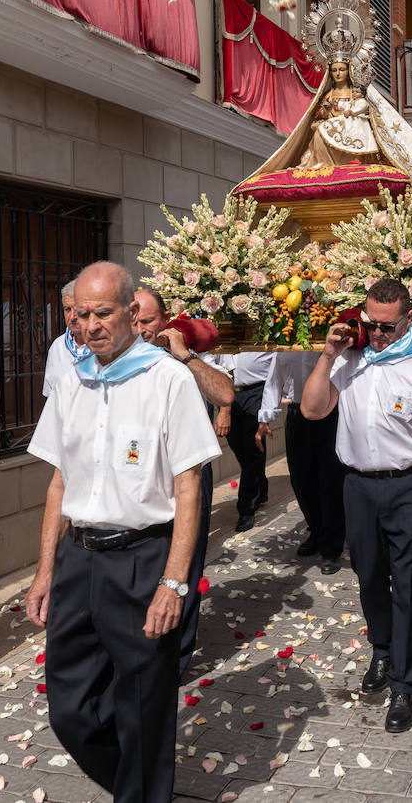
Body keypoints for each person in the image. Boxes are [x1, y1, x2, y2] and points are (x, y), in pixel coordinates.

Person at [24, 262, 220, 803]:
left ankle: (141, 794)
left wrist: (174, 583)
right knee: (70, 710)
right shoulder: (71, 380)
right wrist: (45, 571)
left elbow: (189, 488)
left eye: (103, 313)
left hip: (142, 561)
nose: (89, 326)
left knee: (142, 707)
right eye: (80, 315)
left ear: (132, 311)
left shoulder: (168, 380)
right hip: (79, 560)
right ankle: (138, 788)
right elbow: (59, 484)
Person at [301, 279, 412, 733]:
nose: (376, 335)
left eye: (386, 327)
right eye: (370, 324)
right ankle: (382, 648)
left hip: (411, 483)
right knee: (368, 573)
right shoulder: (351, 356)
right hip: (358, 485)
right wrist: (327, 356)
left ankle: (404, 681)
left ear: (408, 319)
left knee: (411, 580)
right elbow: (313, 411)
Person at [131, 287, 234, 680]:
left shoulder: (186, 355)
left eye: (149, 322)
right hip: (141, 472)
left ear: (166, 320)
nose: (141, 330)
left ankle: (175, 657)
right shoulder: (119, 358)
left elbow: (225, 393)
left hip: (187, 471)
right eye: (134, 321)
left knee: (185, 559)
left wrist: (185, 356)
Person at [256, 352, 348, 575]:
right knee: (301, 478)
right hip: (297, 414)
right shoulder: (287, 341)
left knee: (331, 481)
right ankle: (316, 529)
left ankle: (331, 547)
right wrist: (265, 418)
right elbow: (274, 378)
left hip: (332, 411)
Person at [223, 352, 275, 531]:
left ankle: (246, 509)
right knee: (237, 445)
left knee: (253, 448)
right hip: (227, 393)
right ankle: (260, 487)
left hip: (256, 391)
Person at [299, 58, 381, 169]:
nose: (338, 74)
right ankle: (323, 163)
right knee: (319, 132)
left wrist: (351, 112)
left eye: (341, 69)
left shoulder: (356, 94)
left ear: (349, 71)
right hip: (333, 127)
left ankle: (352, 160)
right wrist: (326, 110)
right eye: (334, 70)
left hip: (351, 126)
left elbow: (364, 109)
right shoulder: (329, 94)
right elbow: (320, 114)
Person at [43, 279, 89, 398]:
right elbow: (50, 396)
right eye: (67, 309)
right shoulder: (57, 346)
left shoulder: (105, 346)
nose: (72, 317)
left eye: (78, 309)